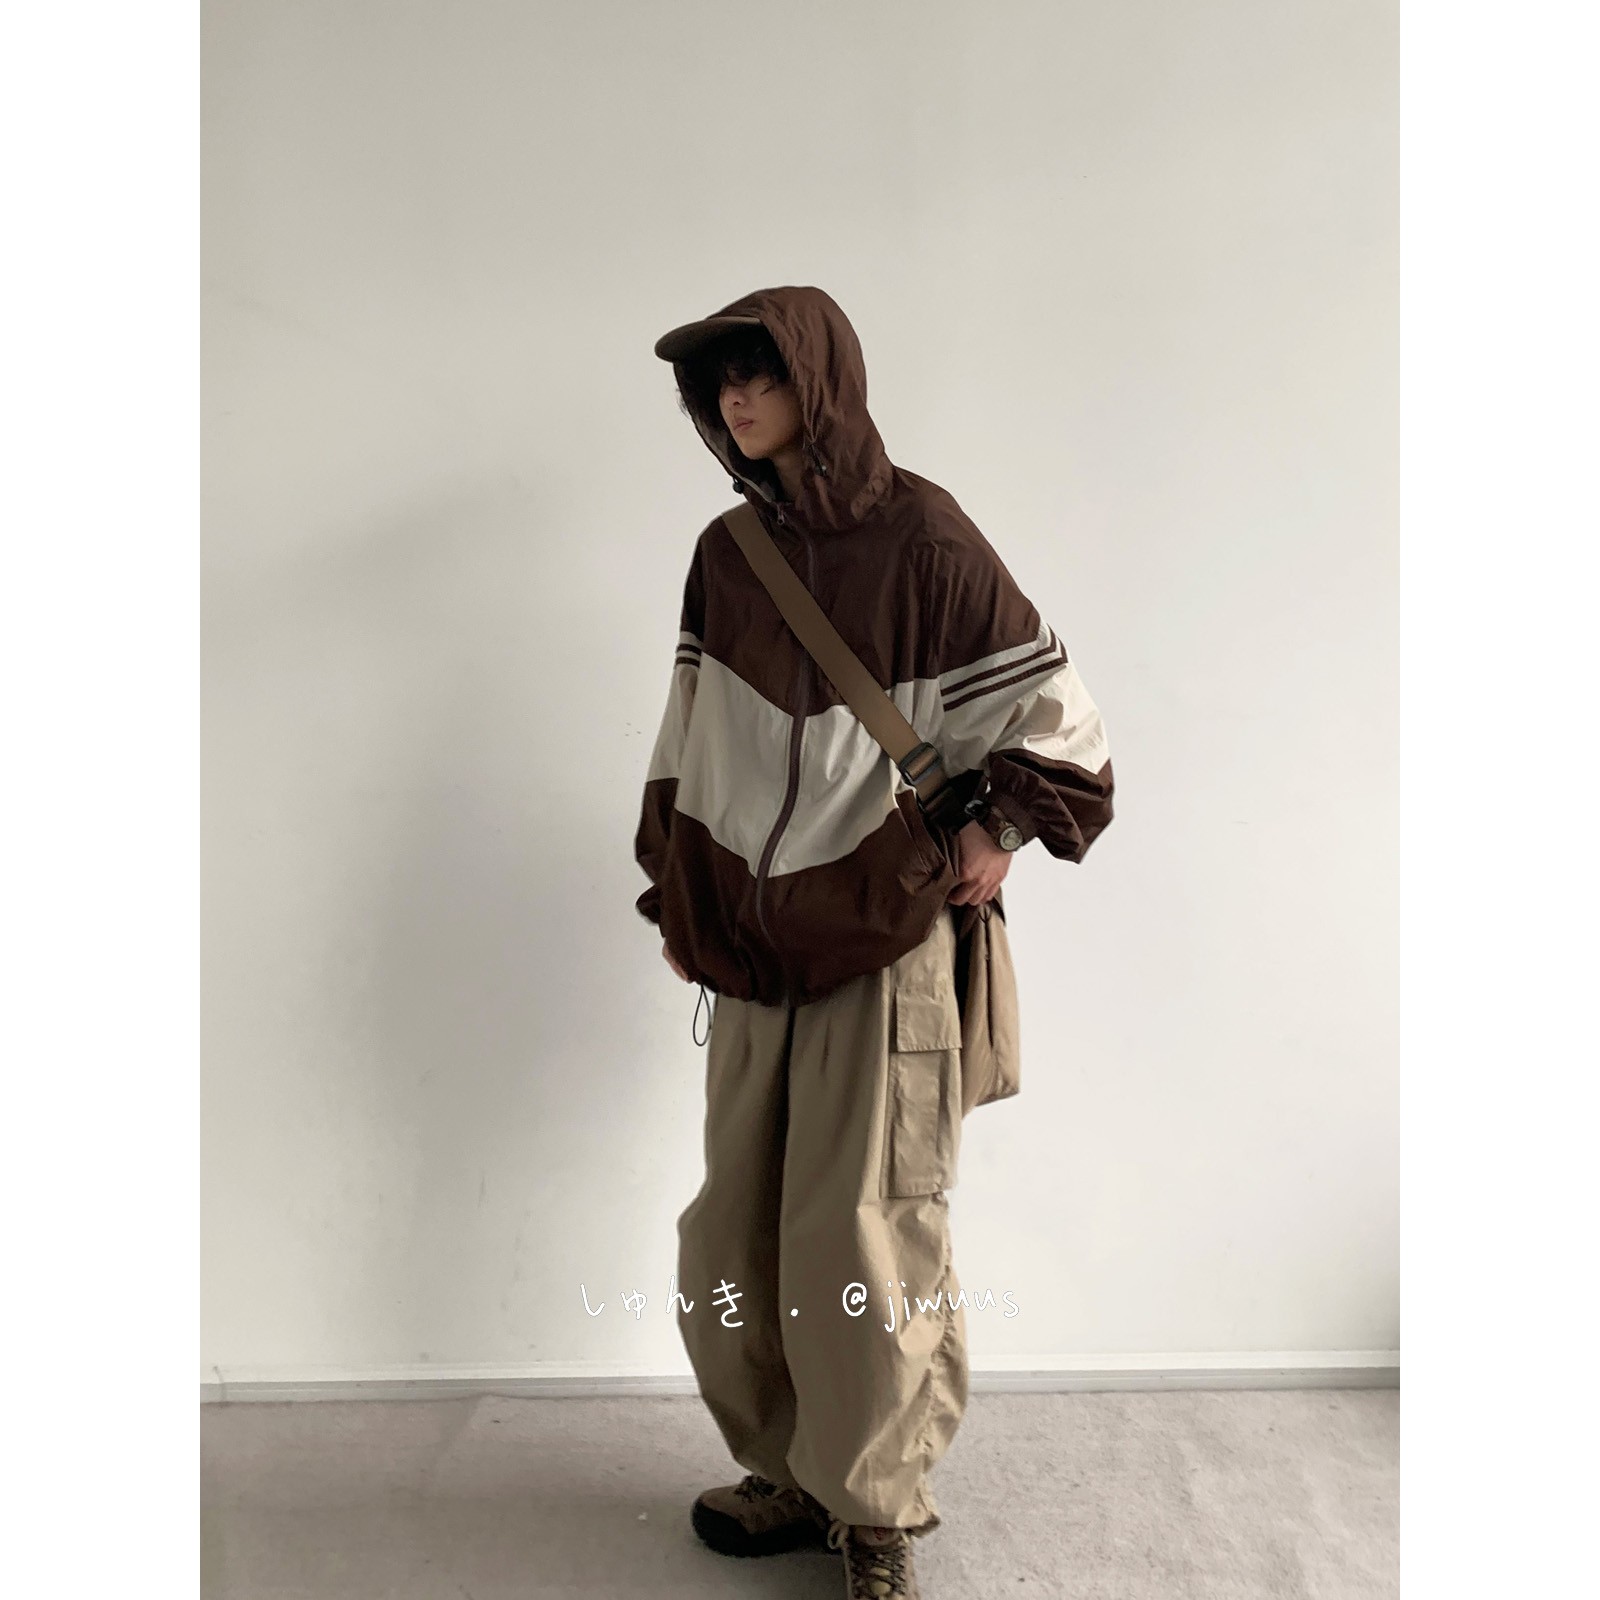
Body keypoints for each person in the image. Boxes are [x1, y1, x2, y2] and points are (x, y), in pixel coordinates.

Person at [633, 285, 1114, 1600]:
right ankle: (790, 1472)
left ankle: (875, 1511)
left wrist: (1001, 824)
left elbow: (1063, 720)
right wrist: (680, 895)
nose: (739, 399)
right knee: (733, 1238)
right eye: (722, 382)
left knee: (866, 1238)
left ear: (823, 383)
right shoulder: (729, 554)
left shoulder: (926, 536)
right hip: (752, 951)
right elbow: (689, 733)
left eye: (763, 374)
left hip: (886, 938)